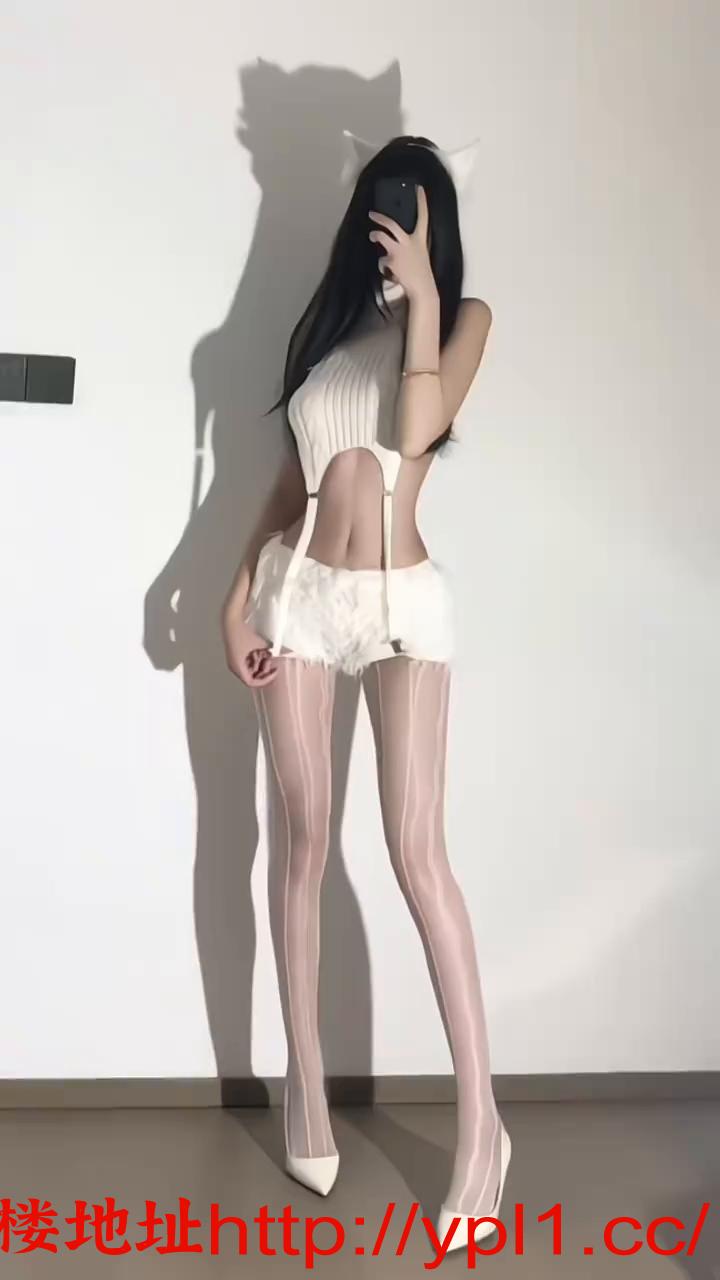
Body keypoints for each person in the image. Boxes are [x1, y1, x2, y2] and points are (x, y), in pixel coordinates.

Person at [221, 132, 510, 1253]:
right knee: (299, 839)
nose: (394, 220)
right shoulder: (330, 332)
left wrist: (426, 293)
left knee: (415, 852)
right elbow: (290, 483)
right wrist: (236, 600)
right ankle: (305, 1085)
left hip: (400, 603)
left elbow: (416, 430)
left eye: (416, 206)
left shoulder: (463, 318)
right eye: (386, 204)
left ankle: (483, 1130)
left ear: (439, 218)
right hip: (299, 595)